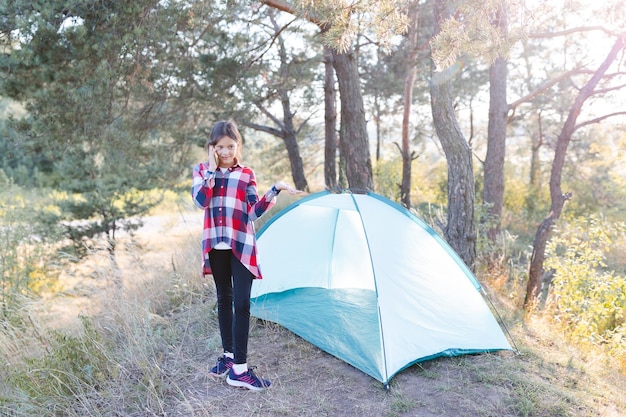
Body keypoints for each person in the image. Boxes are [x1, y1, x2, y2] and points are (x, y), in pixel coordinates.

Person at [191, 120, 301, 391]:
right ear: (212, 148)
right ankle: (230, 359)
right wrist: (213, 172)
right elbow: (200, 201)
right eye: (220, 147)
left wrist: (274, 190)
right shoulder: (202, 171)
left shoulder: (246, 174)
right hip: (215, 245)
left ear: (237, 145)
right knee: (223, 298)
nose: (226, 151)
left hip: (240, 244)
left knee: (242, 303)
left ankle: (239, 369)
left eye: (230, 146)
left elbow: (252, 212)